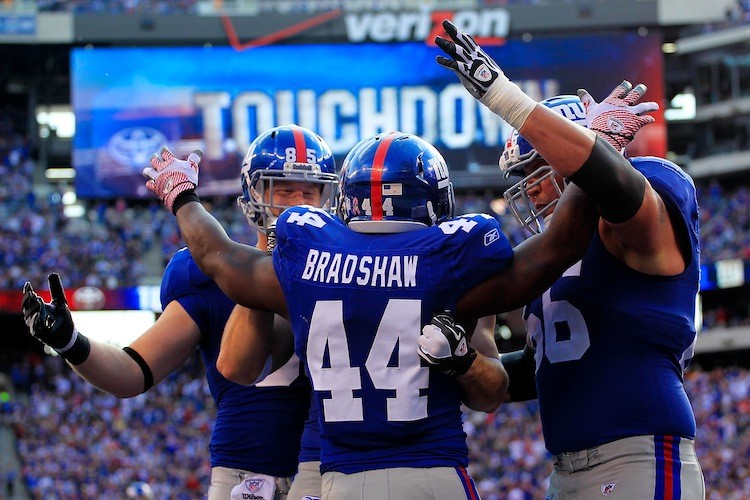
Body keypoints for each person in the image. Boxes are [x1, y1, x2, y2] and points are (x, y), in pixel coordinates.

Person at [134, 122, 598, 499]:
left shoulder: (309, 264)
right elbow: (556, 250)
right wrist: (595, 157)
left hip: (342, 481)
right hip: (432, 471)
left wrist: (182, 197)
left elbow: (217, 256)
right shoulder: (454, 267)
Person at [435, 19, 705, 498]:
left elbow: (619, 190)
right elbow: (550, 365)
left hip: (639, 453)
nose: (532, 187)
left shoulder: (642, 205)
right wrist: (465, 364)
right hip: (565, 471)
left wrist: (507, 99)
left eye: (542, 168)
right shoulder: (554, 251)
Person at [20, 125, 341, 500]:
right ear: (252, 196)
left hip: (330, 473)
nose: (298, 203)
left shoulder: (349, 273)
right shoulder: (204, 277)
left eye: (310, 191)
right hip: (245, 478)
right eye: (283, 189)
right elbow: (132, 372)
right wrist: (71, 342)